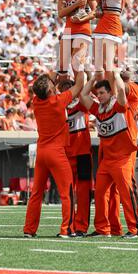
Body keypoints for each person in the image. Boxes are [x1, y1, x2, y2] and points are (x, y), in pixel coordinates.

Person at [80, 71, 138, 238]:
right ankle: (103, 229)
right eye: (98, 93)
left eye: (102, 93)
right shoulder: (98, 109)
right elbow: (83, 95)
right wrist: (94, 78)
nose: (99, 96)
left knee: (126, 194)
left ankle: (135, 229)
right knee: (100, 194)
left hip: (122, 159)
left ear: (110, 92)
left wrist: (114, 74)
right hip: (107, 160)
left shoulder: (119, 106)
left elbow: (122, 92)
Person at [23, 69, 85, 239]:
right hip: (56, 152)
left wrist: (56, 76)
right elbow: (79, 84)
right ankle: (67, 229)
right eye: (52, 84)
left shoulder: (37, 101)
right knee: (67, 192)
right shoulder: (58, 101)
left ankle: (29, 229)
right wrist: (78, 66)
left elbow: (46, 83)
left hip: (41, 151)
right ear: (50, 90)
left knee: (36, 193)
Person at [59, 79, 92, 237]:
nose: (67, 91)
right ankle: (69, 226)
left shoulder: (81, 103)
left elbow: (84, 88)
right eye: (63, 89)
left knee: (83, 193)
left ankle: (81, 227)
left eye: (69, 88)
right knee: (67, 192)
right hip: (65, 154)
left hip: (82, 154)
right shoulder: (58, 107)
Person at [88, 0, 127, 90]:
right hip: (103, 26)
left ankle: (114, 94)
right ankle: (103, 94)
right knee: (99, 66)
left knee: (107, 65)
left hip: (110, 27)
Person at [57, 0, 95, 77]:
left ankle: (84, 90)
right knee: (62, 66)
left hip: (82, 30)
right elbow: (61, 13)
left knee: (76, 62)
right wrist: (76, 4)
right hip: (68, 30)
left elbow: (95, 11)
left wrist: (82, 19)